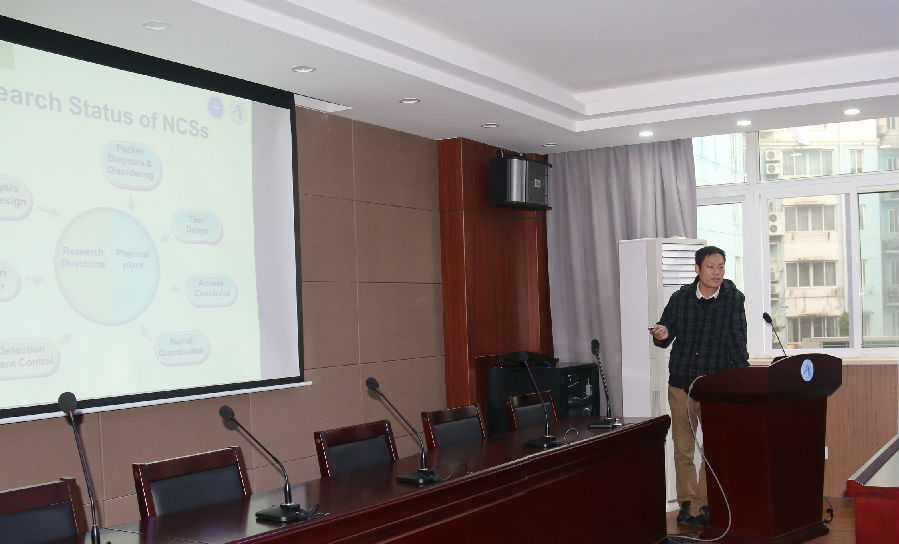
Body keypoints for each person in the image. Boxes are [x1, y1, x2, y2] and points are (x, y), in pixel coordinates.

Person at [649, 246, 748, 528]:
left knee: (713, 448)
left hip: (716, 387)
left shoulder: (733, 299)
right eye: (711, 267)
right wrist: (661, 333)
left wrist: (742, 379)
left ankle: (705, 504)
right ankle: (687, 504)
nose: (717, 273)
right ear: (697, 269)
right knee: (683, 448)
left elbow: (738, 342)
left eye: (721, 267)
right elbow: (664, 333)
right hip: (682, 384)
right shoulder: (680, 298)